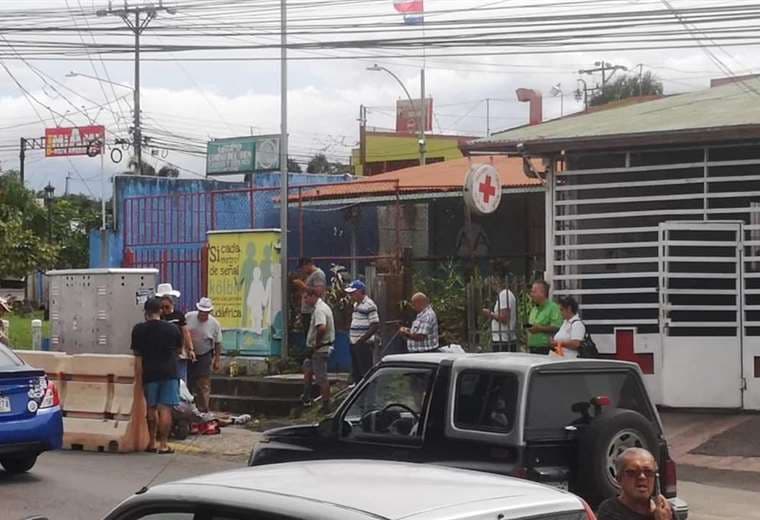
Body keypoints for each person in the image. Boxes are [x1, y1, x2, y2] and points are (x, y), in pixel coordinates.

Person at [131, 297, 183, 454]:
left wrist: (139, 379)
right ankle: (164, 444)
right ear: (160, 311)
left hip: (149, 373)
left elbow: (137, 356)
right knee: (165, 409)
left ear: (146, 313)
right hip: (169, 372)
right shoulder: (173, 329)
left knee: (151, 408)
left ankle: (152, 443)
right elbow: (179, 351)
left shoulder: (138, 329)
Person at [597, 448, 674, 520]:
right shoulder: (610, 511)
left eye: (648, 472)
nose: (642, 477)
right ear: (619, 479)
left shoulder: (665, 510)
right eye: (632, 472)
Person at [185, 297, 223, 413]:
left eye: (205, 313)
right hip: (188, 354)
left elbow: (218, 343)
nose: (203, 315)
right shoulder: (189, 317)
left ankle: (204, 409)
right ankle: (188, 408)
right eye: (201, 312)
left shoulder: (214, 324)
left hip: (204, 354)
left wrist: (217, 360)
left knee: (204, 383)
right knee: (188, 382)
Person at [302, 287, 335, 412]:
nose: (305, 301)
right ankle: (306, 396)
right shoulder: (320, 308)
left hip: (320, 349)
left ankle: (326, 405)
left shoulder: (320, 310)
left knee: (321, 377)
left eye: (306, 298)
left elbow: (321, 328)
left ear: (312, 296)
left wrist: (316, 344)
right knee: (307, 367)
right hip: (315, 348)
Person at [156, 284, 194, 383]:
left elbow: (185, 332)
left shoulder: (178, 315)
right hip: (162, 353)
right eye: (162, 306)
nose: (164, 309)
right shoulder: (157, 317)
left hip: (178, 351)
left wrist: (190, 349)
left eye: (166, 306)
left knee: (181, 378)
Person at [345, 280, 380, 384]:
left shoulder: (369, 305)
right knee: (357, 372)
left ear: (360, 291)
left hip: (363, 343)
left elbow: (375, 325)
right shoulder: (356, 304)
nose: (351, 295)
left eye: (353, 293)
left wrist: (362, 340)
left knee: (366, 371)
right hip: (354, 343)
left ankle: (369, 393)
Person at [482, 273, 517, 352]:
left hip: (503, 339)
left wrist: (489, 313)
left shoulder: (504, 294)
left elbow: (504, 318)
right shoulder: (506, 294)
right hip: (503, 338)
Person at [527, 281, 562, 355]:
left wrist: (540, 328)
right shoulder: (534, 309)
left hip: (547, 349)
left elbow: (557, 327)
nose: (531, 294)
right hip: (533, 348)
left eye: (534, 292)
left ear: (542, 293)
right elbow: (531, 325)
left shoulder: (553, 308)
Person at [293, 257, 326, 333]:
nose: (302, 270)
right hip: (307, 311)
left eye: (302, 268)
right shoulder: (309, 275)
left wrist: (302, 285)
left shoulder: (318, 274)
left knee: (311, 334)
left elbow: (319, 292)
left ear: (309, 265)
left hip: (313, 311)